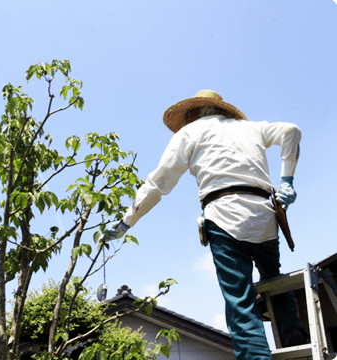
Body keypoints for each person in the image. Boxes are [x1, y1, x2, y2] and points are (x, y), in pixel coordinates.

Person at [106, 90, 306, 360]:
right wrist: (287, 182)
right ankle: (293, 330)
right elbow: (291, 131)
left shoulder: (189, 134)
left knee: (240, 301)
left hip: (223, 216)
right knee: (274, 278)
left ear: (194, 112)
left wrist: (126, 221)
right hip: (265, 216)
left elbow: (158, 183)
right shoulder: (251, 128)